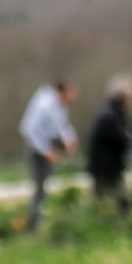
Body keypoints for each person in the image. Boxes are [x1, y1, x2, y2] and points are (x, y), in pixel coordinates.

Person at [86, 74, 132, 217]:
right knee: (111, 201)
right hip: (105, 168)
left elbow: (130, 135)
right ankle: (105, 227)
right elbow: (124, 139)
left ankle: (107, 226)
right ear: (121, 97)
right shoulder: (109, 116)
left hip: (112, 167)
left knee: (112, 201)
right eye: (130, 97)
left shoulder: (117, 113)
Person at [18, 80, 77, 232]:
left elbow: (61, 126)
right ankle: (32, 226)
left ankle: (38, 222)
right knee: (39, 189)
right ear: (63, 92)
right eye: (71, 94)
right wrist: (46, 151)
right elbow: (29, 130)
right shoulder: (43, 105)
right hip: (37, 151)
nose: (73, 98)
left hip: (48, 148)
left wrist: (70, 139)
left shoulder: (58, 106)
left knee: (43, 189)